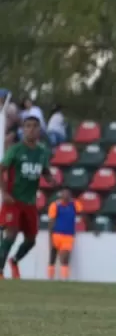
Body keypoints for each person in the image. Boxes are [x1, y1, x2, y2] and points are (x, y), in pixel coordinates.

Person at [1, 114, 53, 279]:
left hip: (30, 201)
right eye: (28, 126)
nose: (31, 129)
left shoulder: (42, 151)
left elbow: (44, 170)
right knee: (11, 233)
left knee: (31, 240)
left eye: (34, 126)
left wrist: (50, 178)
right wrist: (4, 192)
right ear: (23, 130)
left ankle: (14, 261)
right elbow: (2, 169)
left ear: (39, 130)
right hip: (13, 199)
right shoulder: (16, 149)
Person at [47, 189, 82, 280]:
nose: (66, 197)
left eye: (68, 195)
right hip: (56, 234)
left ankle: (64, 278)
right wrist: (50, 236)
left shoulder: (74, 204)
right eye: (64, 195)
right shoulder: (55, 205)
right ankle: (50, 277)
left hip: (68, 235)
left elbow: (83, 213)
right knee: (52, 256)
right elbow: (51, 220)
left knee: (65, 257)